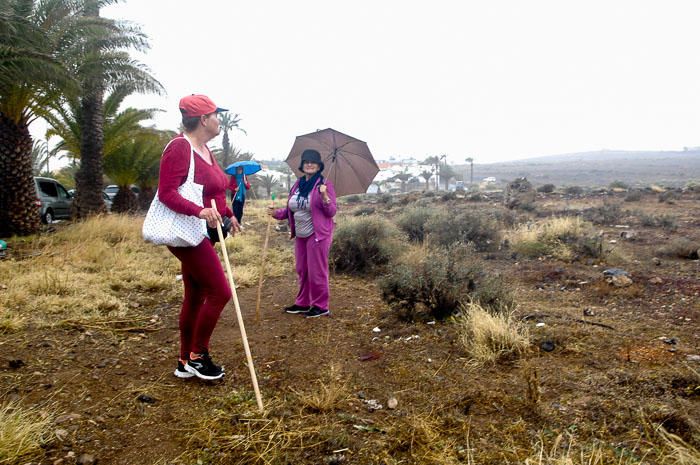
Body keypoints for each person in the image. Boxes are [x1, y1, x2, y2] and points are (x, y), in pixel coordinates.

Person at [158, 94, 241, 381]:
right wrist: (199, 211)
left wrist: (228, 213)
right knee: (220, 292)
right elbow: (166, 193)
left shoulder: (205, 148)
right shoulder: (179, 148)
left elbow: (215, 190)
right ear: (204, 119)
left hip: (201, 229)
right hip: (186, 231)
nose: (220, 120)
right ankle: (198, 355)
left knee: (195, 296)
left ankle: (184, 361)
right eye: (216, 115)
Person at [269, 149, 337, 318]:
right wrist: (276, 213)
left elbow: (331, 211)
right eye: (306, 161)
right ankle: (303, 303)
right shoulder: (298, 184)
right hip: (301, 234)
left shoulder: (324, 185)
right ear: (302, 164)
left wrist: (325, 197)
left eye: (313, 161)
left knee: (317, 271)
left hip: (318, 235)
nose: (309, 164)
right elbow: (292, 208)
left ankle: (321, 306)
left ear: (319, 165)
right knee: (302, 269)